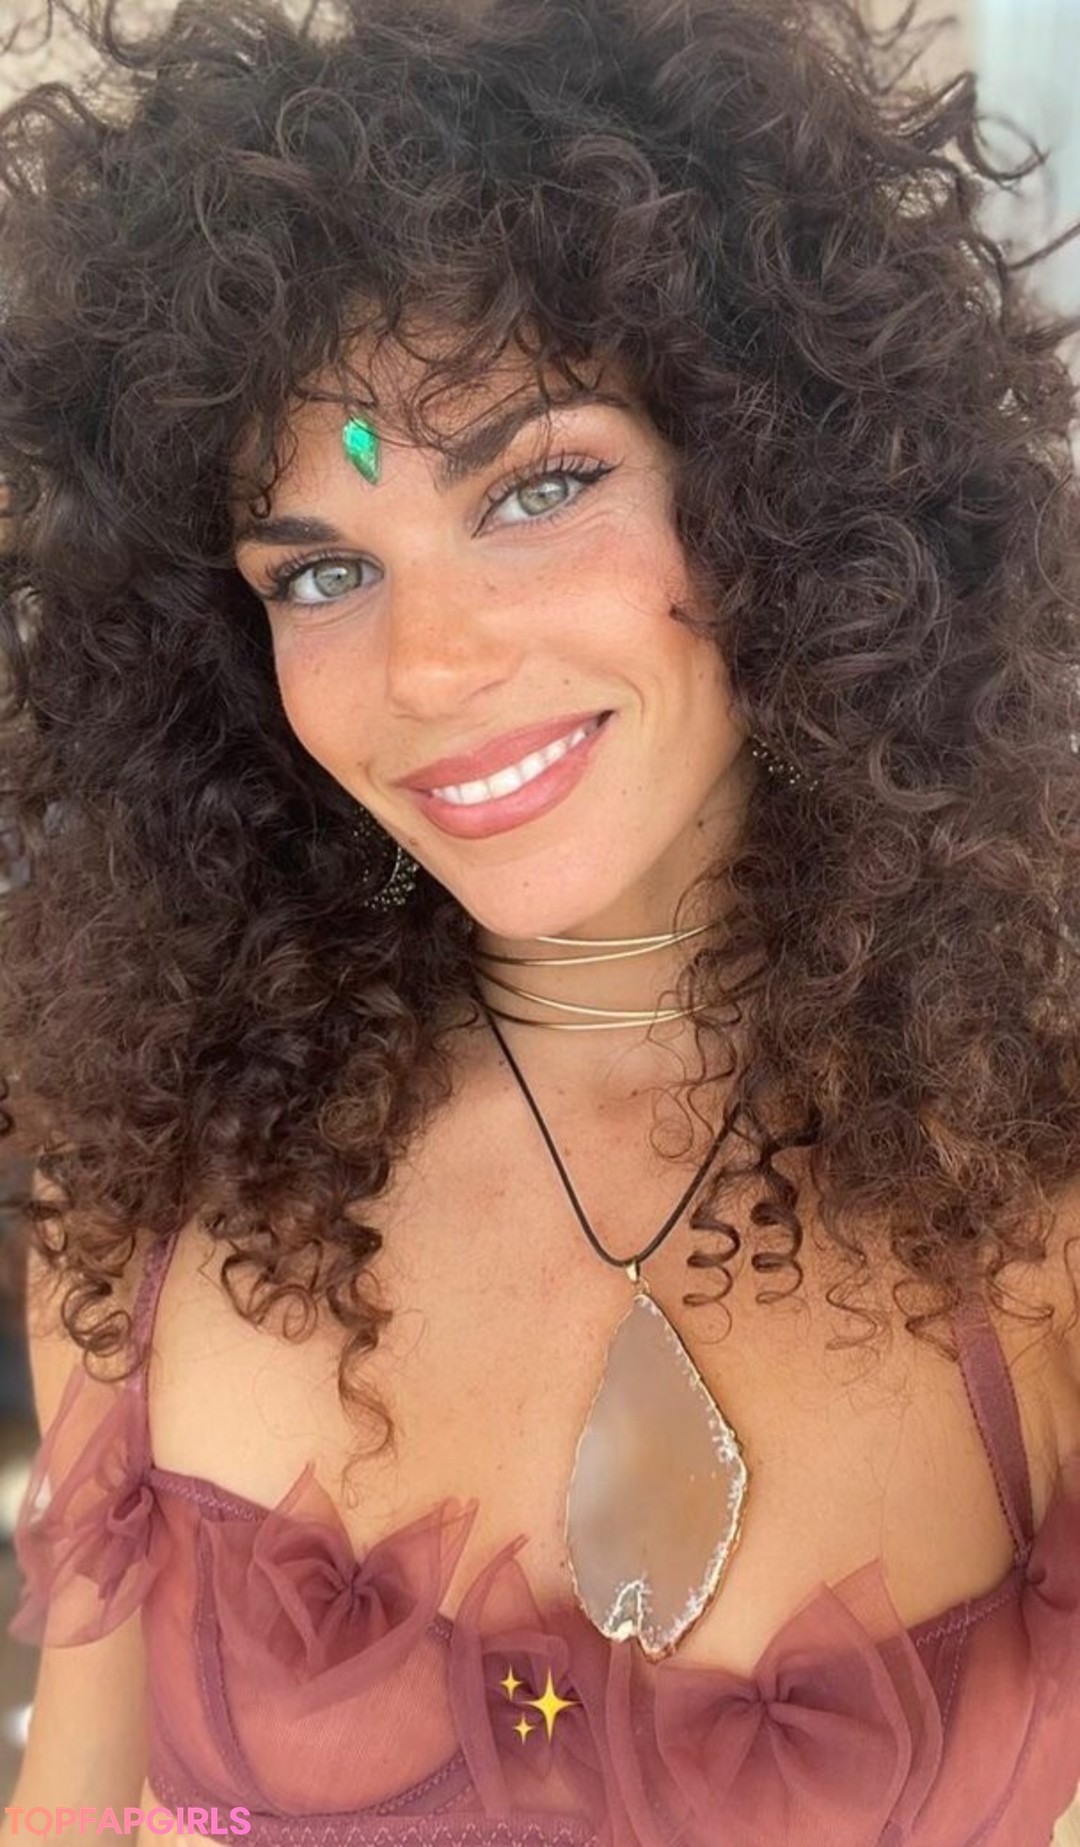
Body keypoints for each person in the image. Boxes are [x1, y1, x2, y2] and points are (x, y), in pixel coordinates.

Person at [1, 0, 1080, 1840]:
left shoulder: (1031, 1179)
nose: (429, 667)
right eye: (321, 574)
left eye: (540, 487)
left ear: (786, 490)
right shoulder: (157, 1168)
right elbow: (72, 1809)